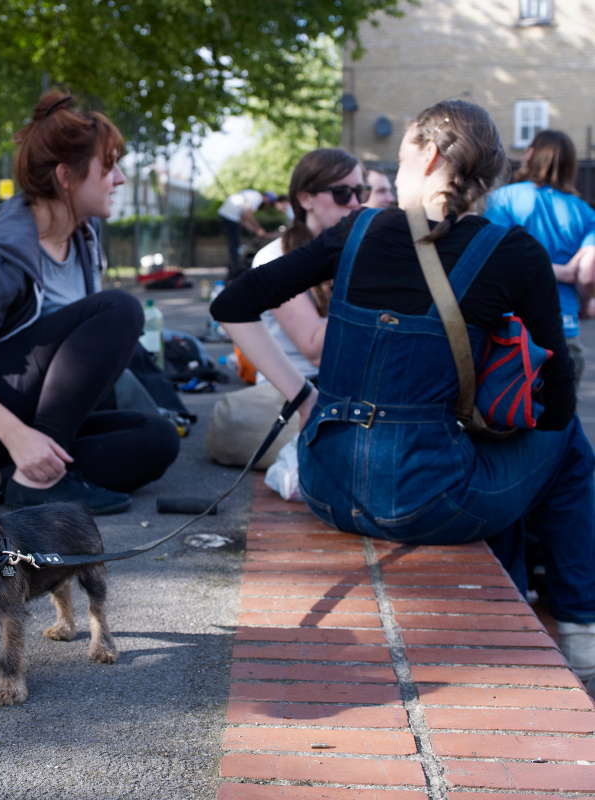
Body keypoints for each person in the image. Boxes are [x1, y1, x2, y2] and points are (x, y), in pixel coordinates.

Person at [210, 99, 595, 694]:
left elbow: (231, 305)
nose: (392, 171)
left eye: (400, 158)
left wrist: (306, 397)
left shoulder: (356, 231)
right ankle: (580, 627)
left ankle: (524, 589)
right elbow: (559, 402)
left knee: (500, 454)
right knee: (564, 440)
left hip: (326, 486)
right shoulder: (513, 251)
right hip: (427, 501)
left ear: (430, 154)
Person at [0, 91, 180, 515]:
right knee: (121, 309)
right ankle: (39, 480)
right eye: (108, 167)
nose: (120, 179)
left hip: (28, 420)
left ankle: (1, 480)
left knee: (158, 439)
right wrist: (18, 436)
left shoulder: (84, 238)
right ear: (65, 176)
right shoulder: (2, 254)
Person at [484, 130, 595, 382]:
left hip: (512, 331)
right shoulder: (585, 213)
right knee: (562, 404)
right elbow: (587, 276)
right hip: (564, 327)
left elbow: (495, 257)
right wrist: (583, 298)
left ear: (531, 154)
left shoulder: (502, 200)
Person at [250, 148, 369, 383]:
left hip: (351, 385)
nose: (355, 203)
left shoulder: (355, 250)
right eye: (342, 193)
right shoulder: (274, 259)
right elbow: (316, 353)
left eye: (360, 192)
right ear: (306, 199)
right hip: (299, 389)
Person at [218, 189, 270, 277]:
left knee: (234, 243)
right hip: (230, 215)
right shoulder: (258, 198)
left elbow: (244, 220)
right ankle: (235, 269)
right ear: (267, 198)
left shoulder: (252, 196)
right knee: (234, 243)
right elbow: (249, 216)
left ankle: (235, 267)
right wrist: (259, 229)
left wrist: (255, 230)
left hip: (225, 213)